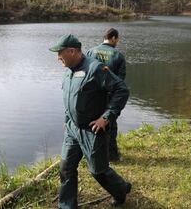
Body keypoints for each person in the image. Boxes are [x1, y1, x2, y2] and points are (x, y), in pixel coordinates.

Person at [49, 34, 131, 208]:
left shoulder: (95, 69)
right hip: (72, 129)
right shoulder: (68, 72)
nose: (57, 58)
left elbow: (121, 90)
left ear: (72, 51)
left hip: (92, 130)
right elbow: (69, 98)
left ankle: (121, 189)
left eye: (60, 53)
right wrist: (67, 118)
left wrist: (106, 117)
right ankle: (67, 206)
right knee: (66, 168)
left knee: (98, 171)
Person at [86, 28, 126, 161]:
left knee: (92, 123)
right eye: (117, 39)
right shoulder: (118, 55)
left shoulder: (90, 52)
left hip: (92, 96)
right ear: (113, 38)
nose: (117, 42)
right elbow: (120, 82)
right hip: (109, 96)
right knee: (110, 124)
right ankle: (112, 156)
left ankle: (91, 153)